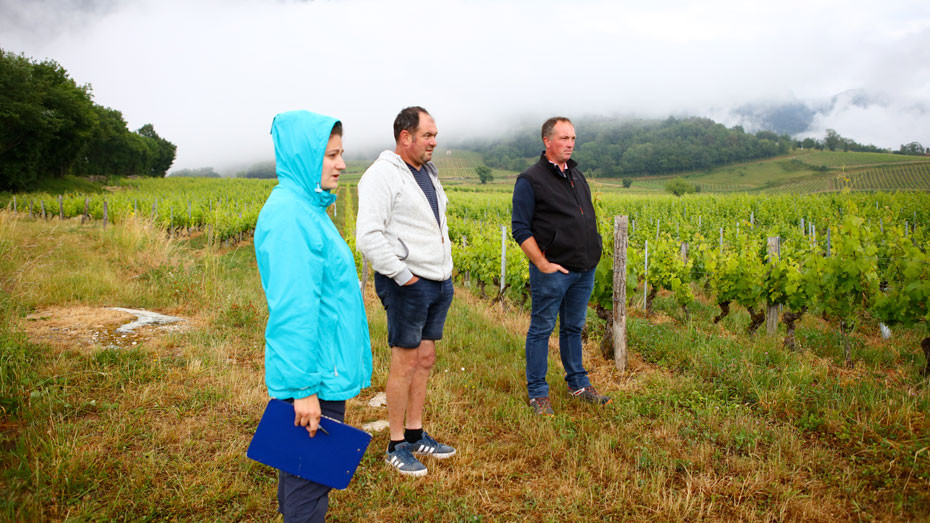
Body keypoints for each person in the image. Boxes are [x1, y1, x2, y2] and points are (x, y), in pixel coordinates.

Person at [254, 110, 373, 521]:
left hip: (322, 367)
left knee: (303, 476)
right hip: (315, 377)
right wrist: (302, 390)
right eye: (331, 155)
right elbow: (293, 312)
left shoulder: (306, 209)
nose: (341, 164)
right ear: (306, 157)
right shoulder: (292, 218)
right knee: (309, 488)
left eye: (341, 154)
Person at [356, 106, 455, 477]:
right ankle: (396, 444)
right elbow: (368, 235)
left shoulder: (427, 173)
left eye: (435, 136)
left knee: (425, 359)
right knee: (405, 362)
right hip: (408, 285)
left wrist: (445, 270)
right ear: (405, 136)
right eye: (428, 135)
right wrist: (403, 276)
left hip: (438, 282)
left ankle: (415, 435)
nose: (433, 142)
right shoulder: (382, 175)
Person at [511, 116, 611, 416]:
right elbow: (520, 229)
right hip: (553, 271)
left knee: (573, 327)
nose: (570, 144)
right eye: (564, 138)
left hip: (585, 268)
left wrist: (595, 247)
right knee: (541, 329)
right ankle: (539, 393)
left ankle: (578, 383)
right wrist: (541, 263)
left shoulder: (577, 175)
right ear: (547, 141)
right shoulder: (530, 180)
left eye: (573, 139)